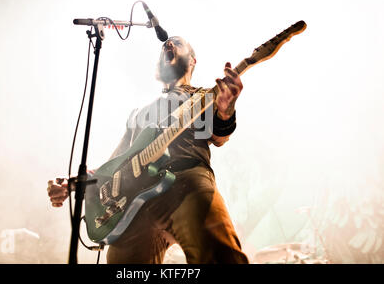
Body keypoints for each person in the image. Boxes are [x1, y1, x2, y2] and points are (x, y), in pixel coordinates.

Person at [47, 36, 249, 264]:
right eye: (165, 45)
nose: (168, 45)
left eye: (177, 43)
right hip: (135, 202)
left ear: (192, 61)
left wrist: (225, 109)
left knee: (222, 257)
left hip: (187, 180)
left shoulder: (202, 96)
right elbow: (113, 165)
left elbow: (219, 137)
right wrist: (72, 184)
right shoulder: (139, 114)